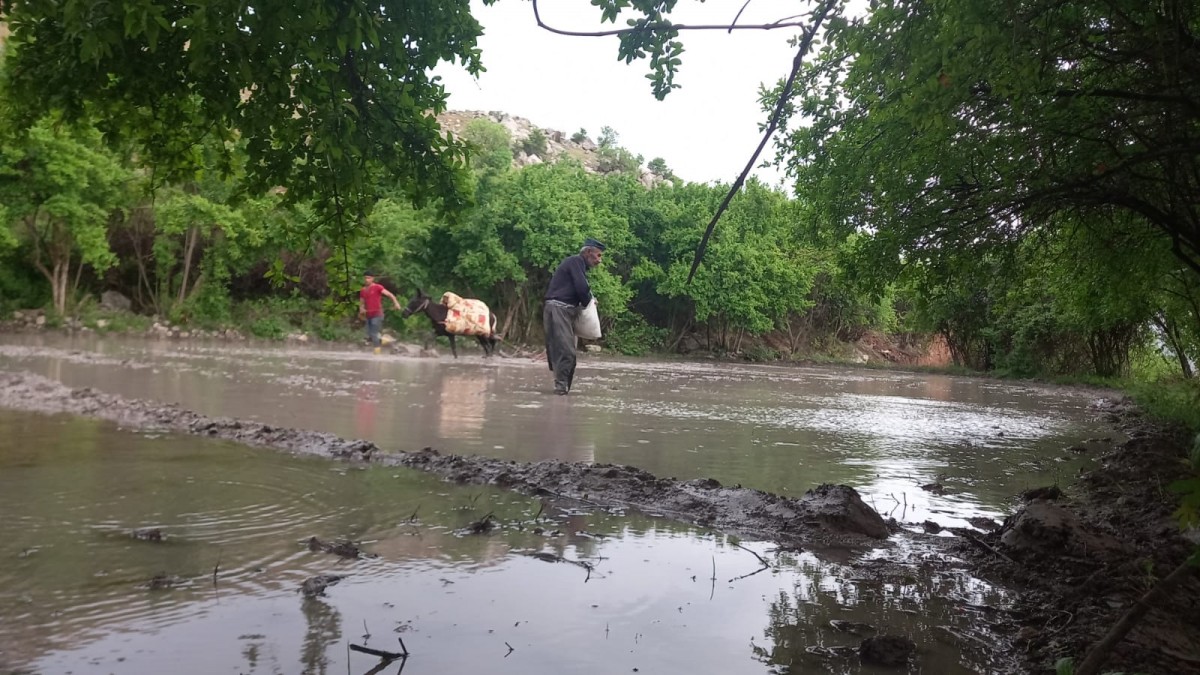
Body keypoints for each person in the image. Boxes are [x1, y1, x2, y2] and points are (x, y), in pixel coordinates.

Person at [543, 238, 605, 395]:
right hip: (559, 309)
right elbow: (582, 288)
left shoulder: (579, 266)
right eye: (598, 256)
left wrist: (589, 300)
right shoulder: (576, 261)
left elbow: (582, 288)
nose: (599, 260)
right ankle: (560, 389)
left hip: (565, 311)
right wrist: (589, 302)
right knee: (566, 352)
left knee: (567, 353)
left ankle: (564, 388)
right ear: (588, 252)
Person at [358, 271, 402, 353]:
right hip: (368, 315)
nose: (367, 280)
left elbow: (390, 294)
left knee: (374, 334)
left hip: (377, 314)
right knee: (370, 336)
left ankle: (377, 353)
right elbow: (362, 302)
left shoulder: (378, 287)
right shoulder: (363, 290)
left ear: (372, 279)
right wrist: (361, 309)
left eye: (368, 278)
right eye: (365, 278)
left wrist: (396, 303)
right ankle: (388, 341)